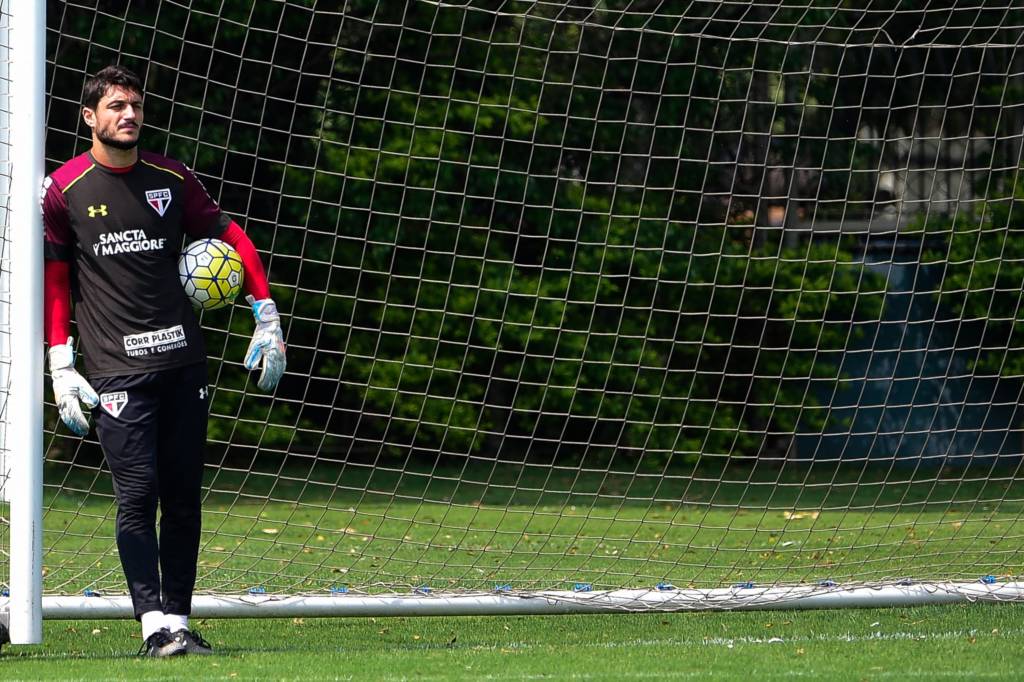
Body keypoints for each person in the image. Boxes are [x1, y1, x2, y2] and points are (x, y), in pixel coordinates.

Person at [42, 64, 286, 657]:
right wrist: (60, 363)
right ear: (90, 116)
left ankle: (177, 619)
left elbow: (233, 237)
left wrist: (267, 314)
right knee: (137, 494)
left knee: (181, 496)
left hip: (183, 365)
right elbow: (55, 279)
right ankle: (152, 626)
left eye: (135, 106)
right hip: (114, 367)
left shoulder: (171, 177)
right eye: (117, 106)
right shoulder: (64, 189)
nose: (129, 115)